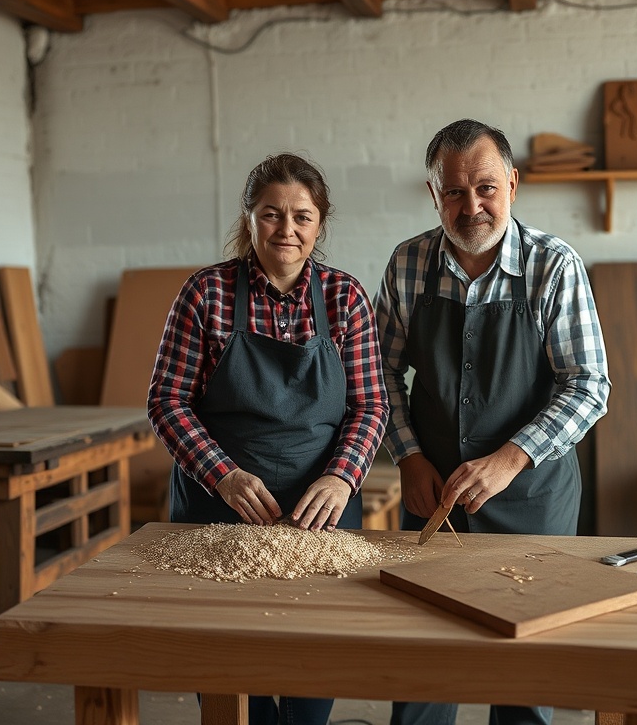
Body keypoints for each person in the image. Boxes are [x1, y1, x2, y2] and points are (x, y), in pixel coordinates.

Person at [374, 119, 611, 725]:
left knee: (525, 673)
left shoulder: (553, 266)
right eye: (453, 191)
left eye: (485, 187)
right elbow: (378, 377)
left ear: (512, 183)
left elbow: (588, 386)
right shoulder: (408, 265)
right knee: (425, 661)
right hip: (434, 498)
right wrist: (409, 457)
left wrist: (511, 459)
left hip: (533, 498)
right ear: (433, 196)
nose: (471, 205)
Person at [148, 152, 388, 725]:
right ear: (250, 218)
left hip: (320, 514)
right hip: (218, 509)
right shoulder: (206, 294)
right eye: (271, 214)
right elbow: (167, 400)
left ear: (320, 224)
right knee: (226, 666)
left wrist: (342, 476)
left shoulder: (344, 299)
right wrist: (222, 475)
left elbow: (370, 405)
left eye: (302, 217)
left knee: (315, 657)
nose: (287, 230)